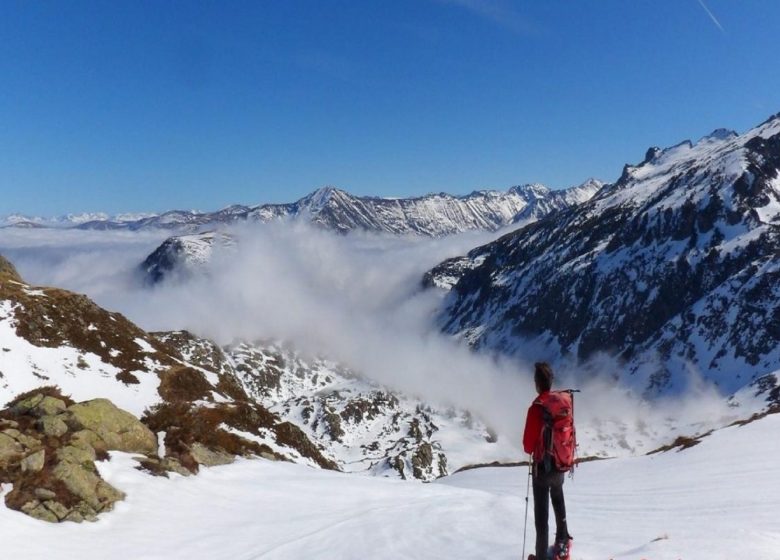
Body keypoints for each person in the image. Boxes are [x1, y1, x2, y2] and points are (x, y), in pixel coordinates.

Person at [523, 362, 571, 560]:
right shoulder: (562, 403)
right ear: (551, 382)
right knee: (558, 501)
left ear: (536, 383)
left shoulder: (536, 409)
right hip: (560, 462)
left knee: (541, 516)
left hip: (542, 468)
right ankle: (563, 546)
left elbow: (527, 445)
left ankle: (542, 556)